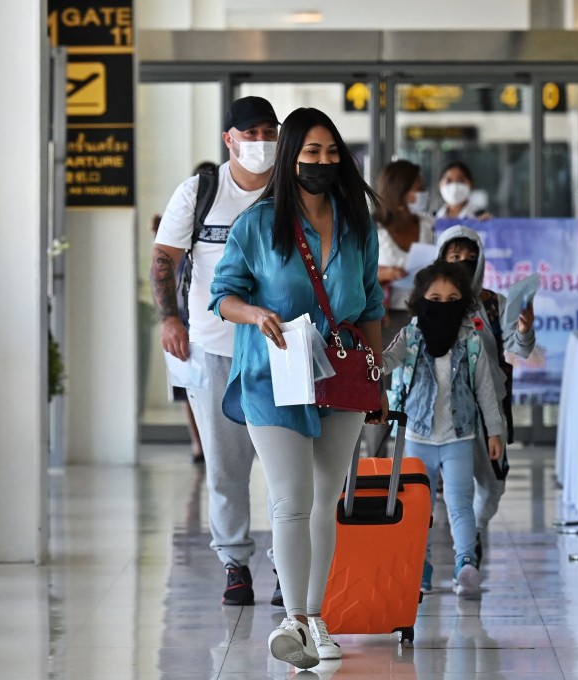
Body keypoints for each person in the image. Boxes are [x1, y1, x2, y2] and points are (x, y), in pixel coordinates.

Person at [209, 107, 386, 669]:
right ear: (291, 158)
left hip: (341, 375)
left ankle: (314, 615)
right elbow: (222, 295)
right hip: (274, 375)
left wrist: (377, 379)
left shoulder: (357, 224)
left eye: (332, 153)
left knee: (324, 500)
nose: (323, 162)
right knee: (291, 499)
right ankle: (297, 622)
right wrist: (255, 313)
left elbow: (371, 305)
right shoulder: (257, 225)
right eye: (312, 152)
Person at [151, 97, 279, 606]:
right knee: (226, 467)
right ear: (229, 139)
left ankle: (286, 564)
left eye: (268, 131)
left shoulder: (291, 189)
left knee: (286, 465)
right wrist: (169, 317)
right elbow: (164, 256)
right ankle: (234, 563)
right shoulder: (200, 192)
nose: (261, 142)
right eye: (250, 133)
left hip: (280, 349)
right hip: (213, 346)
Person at [383, 260, 505, 599]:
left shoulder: (470, 340)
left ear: (463, 303)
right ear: (420, 300)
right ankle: (418, 564)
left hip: (459, 436)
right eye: (435, 299)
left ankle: (466, 563)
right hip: (417, 437)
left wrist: (494, 432)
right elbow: (386, 361)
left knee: (460, 503)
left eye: (452, 300)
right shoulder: (410, 337)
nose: (443, 306)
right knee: (418, 507)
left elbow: (485, 389)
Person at [435, 225, 536, 559]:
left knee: (493, 487)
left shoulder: (494, 305)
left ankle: (475, 529)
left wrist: (524, 328)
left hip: (490, 409)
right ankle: (465, 550)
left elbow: (519, 349)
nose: (462, 263)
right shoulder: (431, 301)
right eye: (455, 257)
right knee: (457, 488)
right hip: (449, 411)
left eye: (470, 257)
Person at [362, 160, 436, 458]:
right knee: (380, 383)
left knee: (424, 381)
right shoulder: (373, 227)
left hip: (423, 316)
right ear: (399, 190)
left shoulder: (428, 225)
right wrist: (383, 273)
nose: (421, 194)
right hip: (384, 319)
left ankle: (420, 456)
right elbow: (357, 269)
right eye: (416, 188)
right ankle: (376, 457)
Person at [150, 160, 218, 465]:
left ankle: (205, 443)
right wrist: (170, 321)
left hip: (208, 317)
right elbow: (162, 264)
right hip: (183, 318)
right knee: (189, 385)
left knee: (201, 385)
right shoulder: (182, 218)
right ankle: (198, 442)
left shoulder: (215, 221)